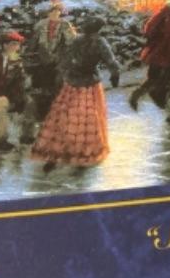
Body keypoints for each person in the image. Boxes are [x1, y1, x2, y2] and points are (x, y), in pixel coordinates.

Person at [31, 17, 119, 173]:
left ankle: (56, 154)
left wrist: (64, 74)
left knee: (64, 117)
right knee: (87, 118)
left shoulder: (78, 40)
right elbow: (111, 61)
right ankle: (81, 155)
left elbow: (65, 60)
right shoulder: (100, 42)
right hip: (88, 84)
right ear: (98, 29)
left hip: (72, 83)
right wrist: (115, 74)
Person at [26, 0, 76, 119]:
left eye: (56, 11)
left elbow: (71, 42)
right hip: (43, 59)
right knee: (44, 85)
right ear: (47, 13)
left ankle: (60, 112)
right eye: (51, 11)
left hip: (60, 59)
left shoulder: (65, 24)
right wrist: (30, 52)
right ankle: (44, 112)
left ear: (60, 12)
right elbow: (33, 42)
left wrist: (66, 57)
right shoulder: (41, 24)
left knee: (58, 84)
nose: (54, 13)